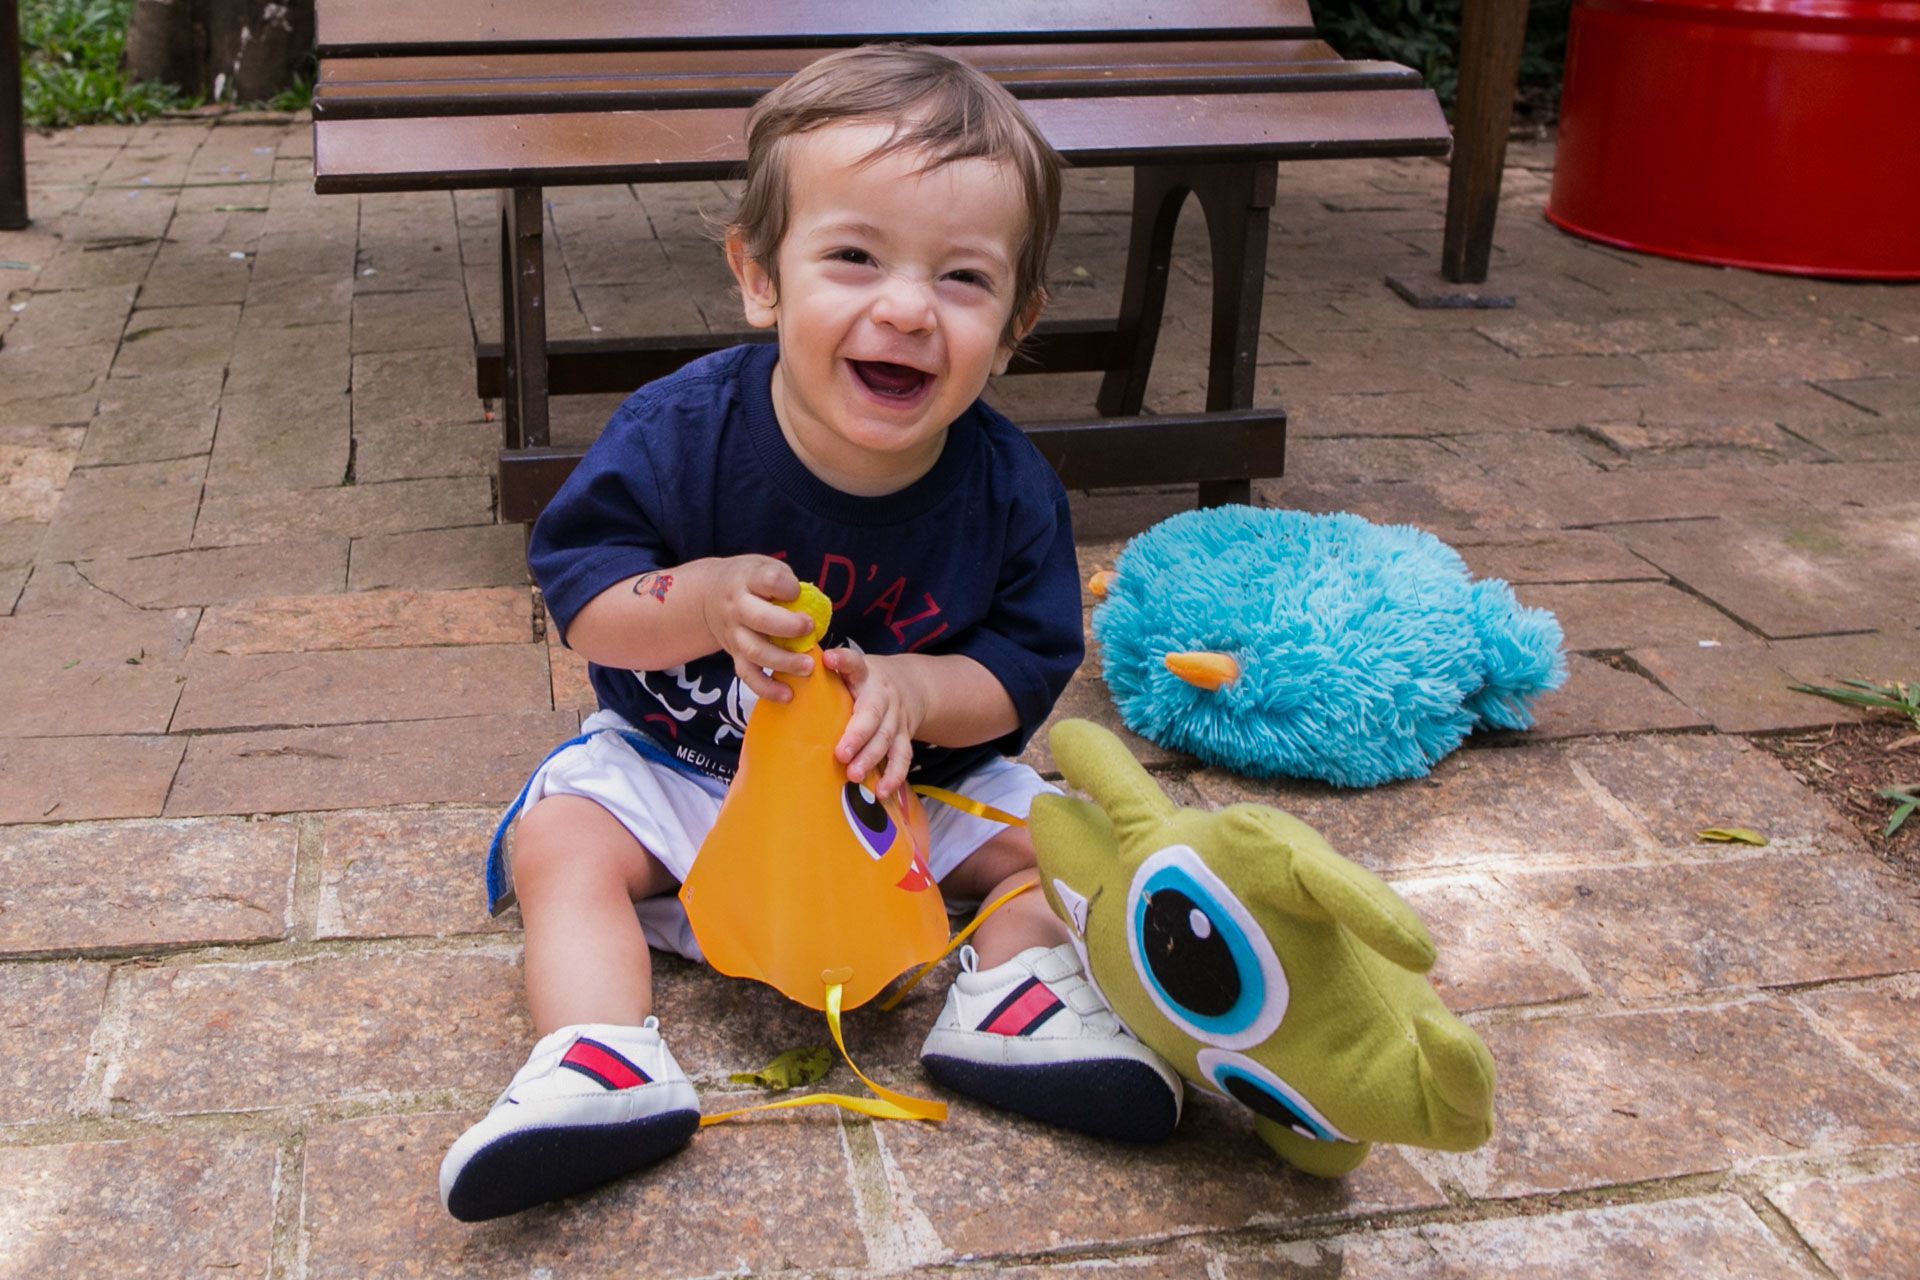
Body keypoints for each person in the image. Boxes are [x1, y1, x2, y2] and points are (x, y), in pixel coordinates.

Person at [438, 44, 1181, 1223]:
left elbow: (1027, 664)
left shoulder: (1008, 488)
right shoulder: (679, 433)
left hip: (901, 789)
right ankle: (596, 1060)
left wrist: (920, 694)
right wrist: (700, 599)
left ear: (1018, 320)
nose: (904, 307)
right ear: (760, 275)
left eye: (963, 279)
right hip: (687, 776)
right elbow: (582, 598)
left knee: (1063, 836)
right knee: (561, 840)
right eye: (853, 257)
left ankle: (1016, 1004)